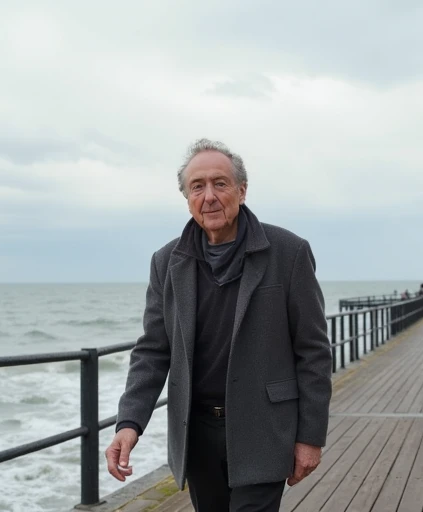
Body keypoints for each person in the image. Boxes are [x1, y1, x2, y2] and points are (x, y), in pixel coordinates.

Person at [105, 139, 332, 512]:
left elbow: (313, 351)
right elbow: (153, 350)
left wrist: (311, 436)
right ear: (187, 198)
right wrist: (129, 423)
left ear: (242, 191)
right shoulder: (167, 262)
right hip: (196, 433)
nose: (209, 196)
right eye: (197, 186)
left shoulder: (288, 252)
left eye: (220, 183)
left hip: (264, 428)